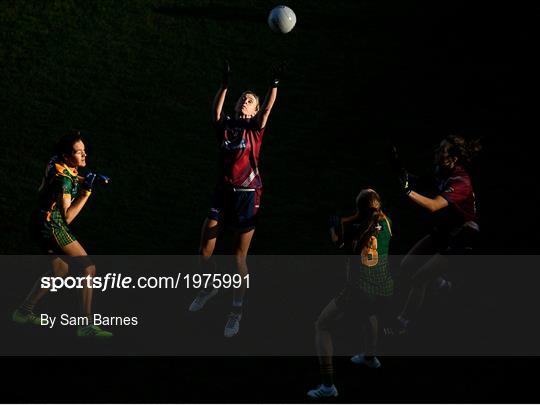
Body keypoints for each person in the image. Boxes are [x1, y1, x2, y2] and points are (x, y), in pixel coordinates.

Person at [188, 60, 284, 338]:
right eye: (243, 98)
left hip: (248, 195)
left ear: (254, 109)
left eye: (250, 100)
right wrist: (225, 85)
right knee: (204, 248)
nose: (246, 101)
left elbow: (267, 110)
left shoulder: (255, 127)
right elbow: (215, 111)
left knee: (238, 258)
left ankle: (236, 310)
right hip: (223, 191)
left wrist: (273, 86)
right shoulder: (226, 125)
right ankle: (209, 287)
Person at [12, 131, 112, 339]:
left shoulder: (57, 162)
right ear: (67, 156)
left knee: (60, 269)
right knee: (88, 267)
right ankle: (85, 325)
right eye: (79, 153)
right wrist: (86, 192)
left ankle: (23, 312)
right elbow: (67, 217)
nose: (84, 156)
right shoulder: (63, 182)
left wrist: (88, 177)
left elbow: (69, 174)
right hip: (52, 225)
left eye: (84, 151)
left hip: (38, 222)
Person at [307, 189, 393, 399]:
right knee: (369, 314)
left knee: (322, 325)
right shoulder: (388, 223)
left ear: (359, 210)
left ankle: (328, 386)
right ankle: (370, 357)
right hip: (383, 288)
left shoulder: (355, 231)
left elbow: (341, 244)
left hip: (359, 290)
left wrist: (333, 230)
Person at [392, 135, 481, 333]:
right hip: (447, 228)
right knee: (406, 265)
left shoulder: (461, 181)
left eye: (442, 150)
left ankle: (403, 323)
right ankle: (442, 285)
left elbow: (433, 206)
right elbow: (420, 181)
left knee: (419, 279)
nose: (437, 152)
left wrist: (407, 192)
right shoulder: (442, 170)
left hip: (463, 235)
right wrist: (402, 173)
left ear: (453, 158)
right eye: (438, 148)